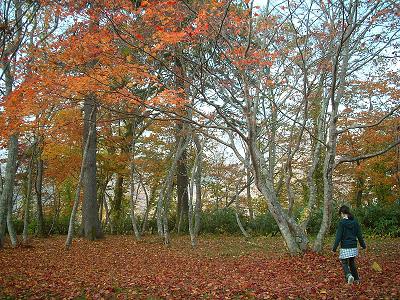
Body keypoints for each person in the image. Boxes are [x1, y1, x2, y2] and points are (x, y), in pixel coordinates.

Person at [332, 205, 366, 284]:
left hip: (345, 247)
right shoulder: (355, 222)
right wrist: (363, 245)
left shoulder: (342, 223)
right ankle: (356, 279)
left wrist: (334, 248)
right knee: (352, 263)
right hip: (353, 246)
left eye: (340, 214)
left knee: (344, 263)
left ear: (342, 213)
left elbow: (338, 237)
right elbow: (359, 235)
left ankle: (349, 275)